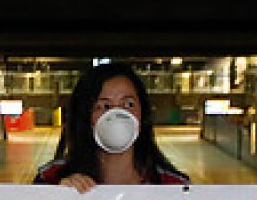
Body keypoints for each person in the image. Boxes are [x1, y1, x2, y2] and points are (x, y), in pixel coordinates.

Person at [33, 61, 188, 191]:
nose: (117, 114)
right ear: (86, 117)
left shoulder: (174, 186)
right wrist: (55, 199)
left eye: (128, 104)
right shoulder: (50, 179)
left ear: (143, 115)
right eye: (104, 106)